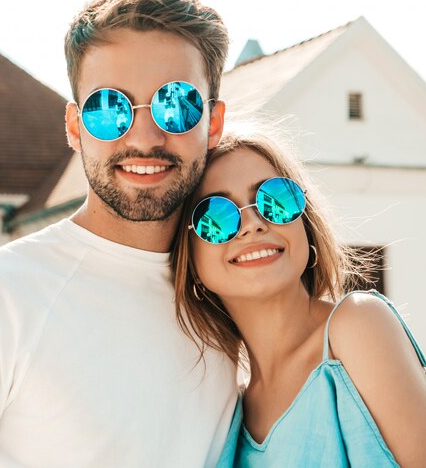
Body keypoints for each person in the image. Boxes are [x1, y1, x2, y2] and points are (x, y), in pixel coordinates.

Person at [0, 0, 237, 466]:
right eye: (108, 108)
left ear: (213, 123)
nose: (143, 137)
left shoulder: (233, 299)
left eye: (176, 105)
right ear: (75, 127)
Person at [171, 128, 426, 467]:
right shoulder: (227, 410)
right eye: (215, 216)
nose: (252, 224)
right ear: (189, 258)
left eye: (275, 199)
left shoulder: (357, 326)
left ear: (304, 222)